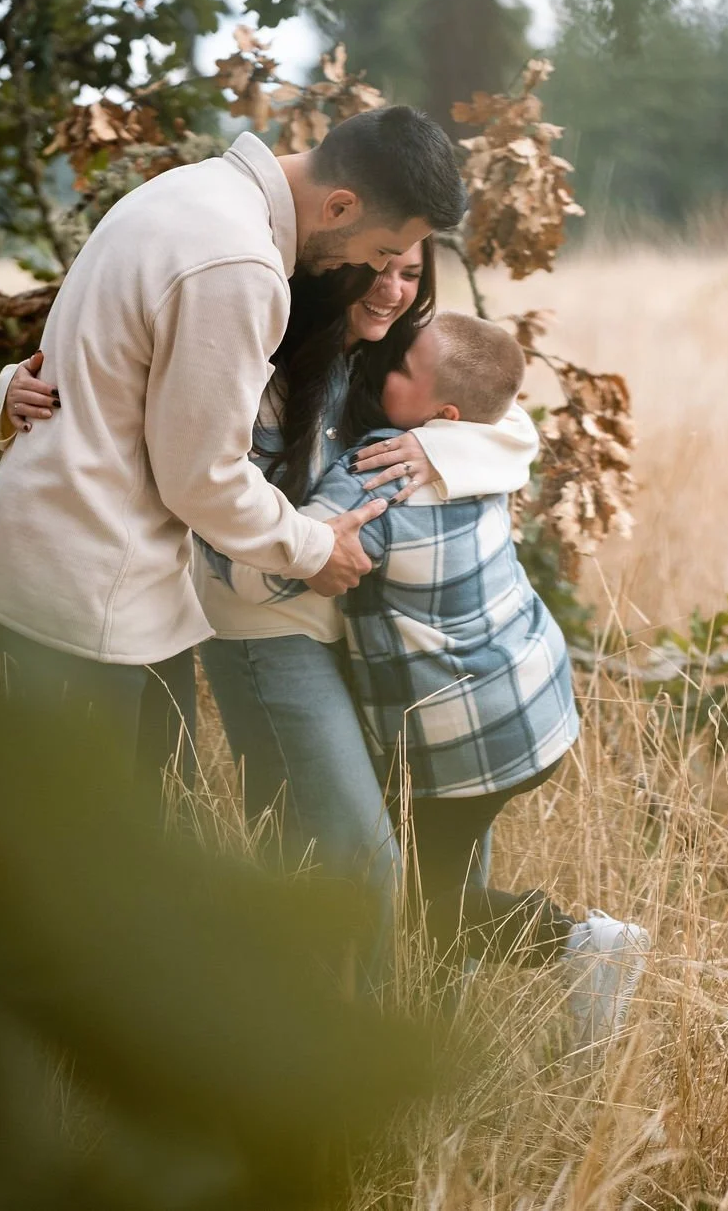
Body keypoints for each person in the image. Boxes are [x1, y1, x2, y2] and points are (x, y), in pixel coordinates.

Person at [1, 243, 539, 980]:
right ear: (333, 263)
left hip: (361, 634)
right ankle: (351, 1049)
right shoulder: (258, 357)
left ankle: (407, 1014)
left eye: (411, 272)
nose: (391, 288)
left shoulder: (397, 359)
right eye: (379, 263)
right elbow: (127, 401)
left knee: (409, 840)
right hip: (271, 632)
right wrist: (12, 385)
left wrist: (445, 452)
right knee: (358, 854)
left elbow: (508, 418)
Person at [0, 107, 467, 768]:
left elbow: (96, 364)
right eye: (380, 252)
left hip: (91, 583)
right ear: (340, 206)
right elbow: (202, 476)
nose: (370, 270)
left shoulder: (186, 189)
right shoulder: (239, 262)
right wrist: (313, 547)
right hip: (89, 599)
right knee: (107, 853)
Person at [226, 311, 651, 1051]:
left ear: (441, 411)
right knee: (438, 881)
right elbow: (511, 419)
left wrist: (210, 523)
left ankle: (583, 944)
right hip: (531, 708)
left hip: (468, 736)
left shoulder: (381, 470)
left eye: (401, 370)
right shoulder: (476, 443)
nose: (382, 369)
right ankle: (430, 1025)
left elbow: (288, 559)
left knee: (422, 904)